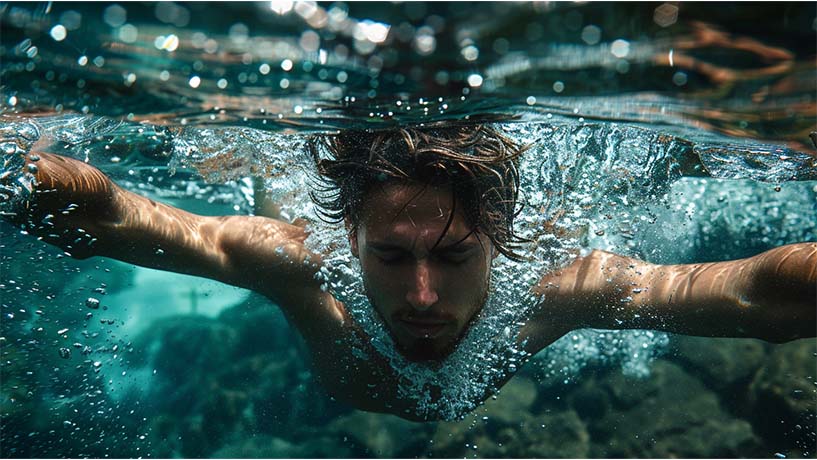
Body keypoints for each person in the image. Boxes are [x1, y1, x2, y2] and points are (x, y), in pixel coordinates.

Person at [2, 122, 815, 421]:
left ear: (499, 240)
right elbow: (111, 216)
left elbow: (750, 290)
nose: (422, 296)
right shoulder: (295, 261)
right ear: (349, 239)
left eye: (454, 255)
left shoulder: (562, 285)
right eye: (391, 257)